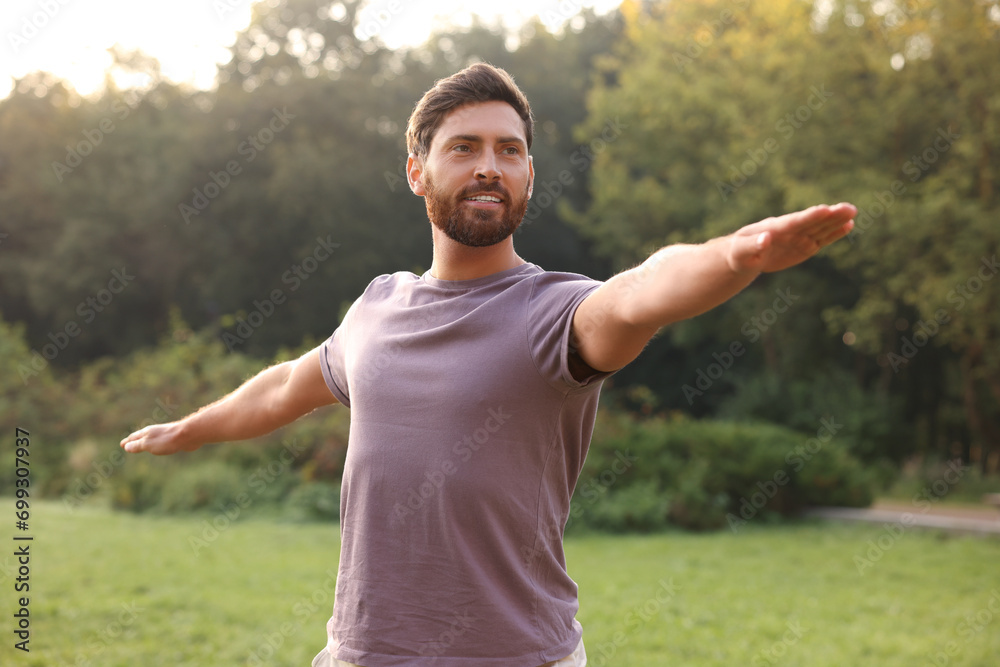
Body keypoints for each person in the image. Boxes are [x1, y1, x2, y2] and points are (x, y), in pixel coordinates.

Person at [120, 63, 856, 666]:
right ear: (417, 171)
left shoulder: (557, 312)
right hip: (361, 653)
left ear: (530, 174)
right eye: (464, 147)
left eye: (509, 150)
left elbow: (641, 292)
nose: (489, 167)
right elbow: (284, 385)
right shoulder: (377, 306)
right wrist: (189, 428)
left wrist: (736, 255)